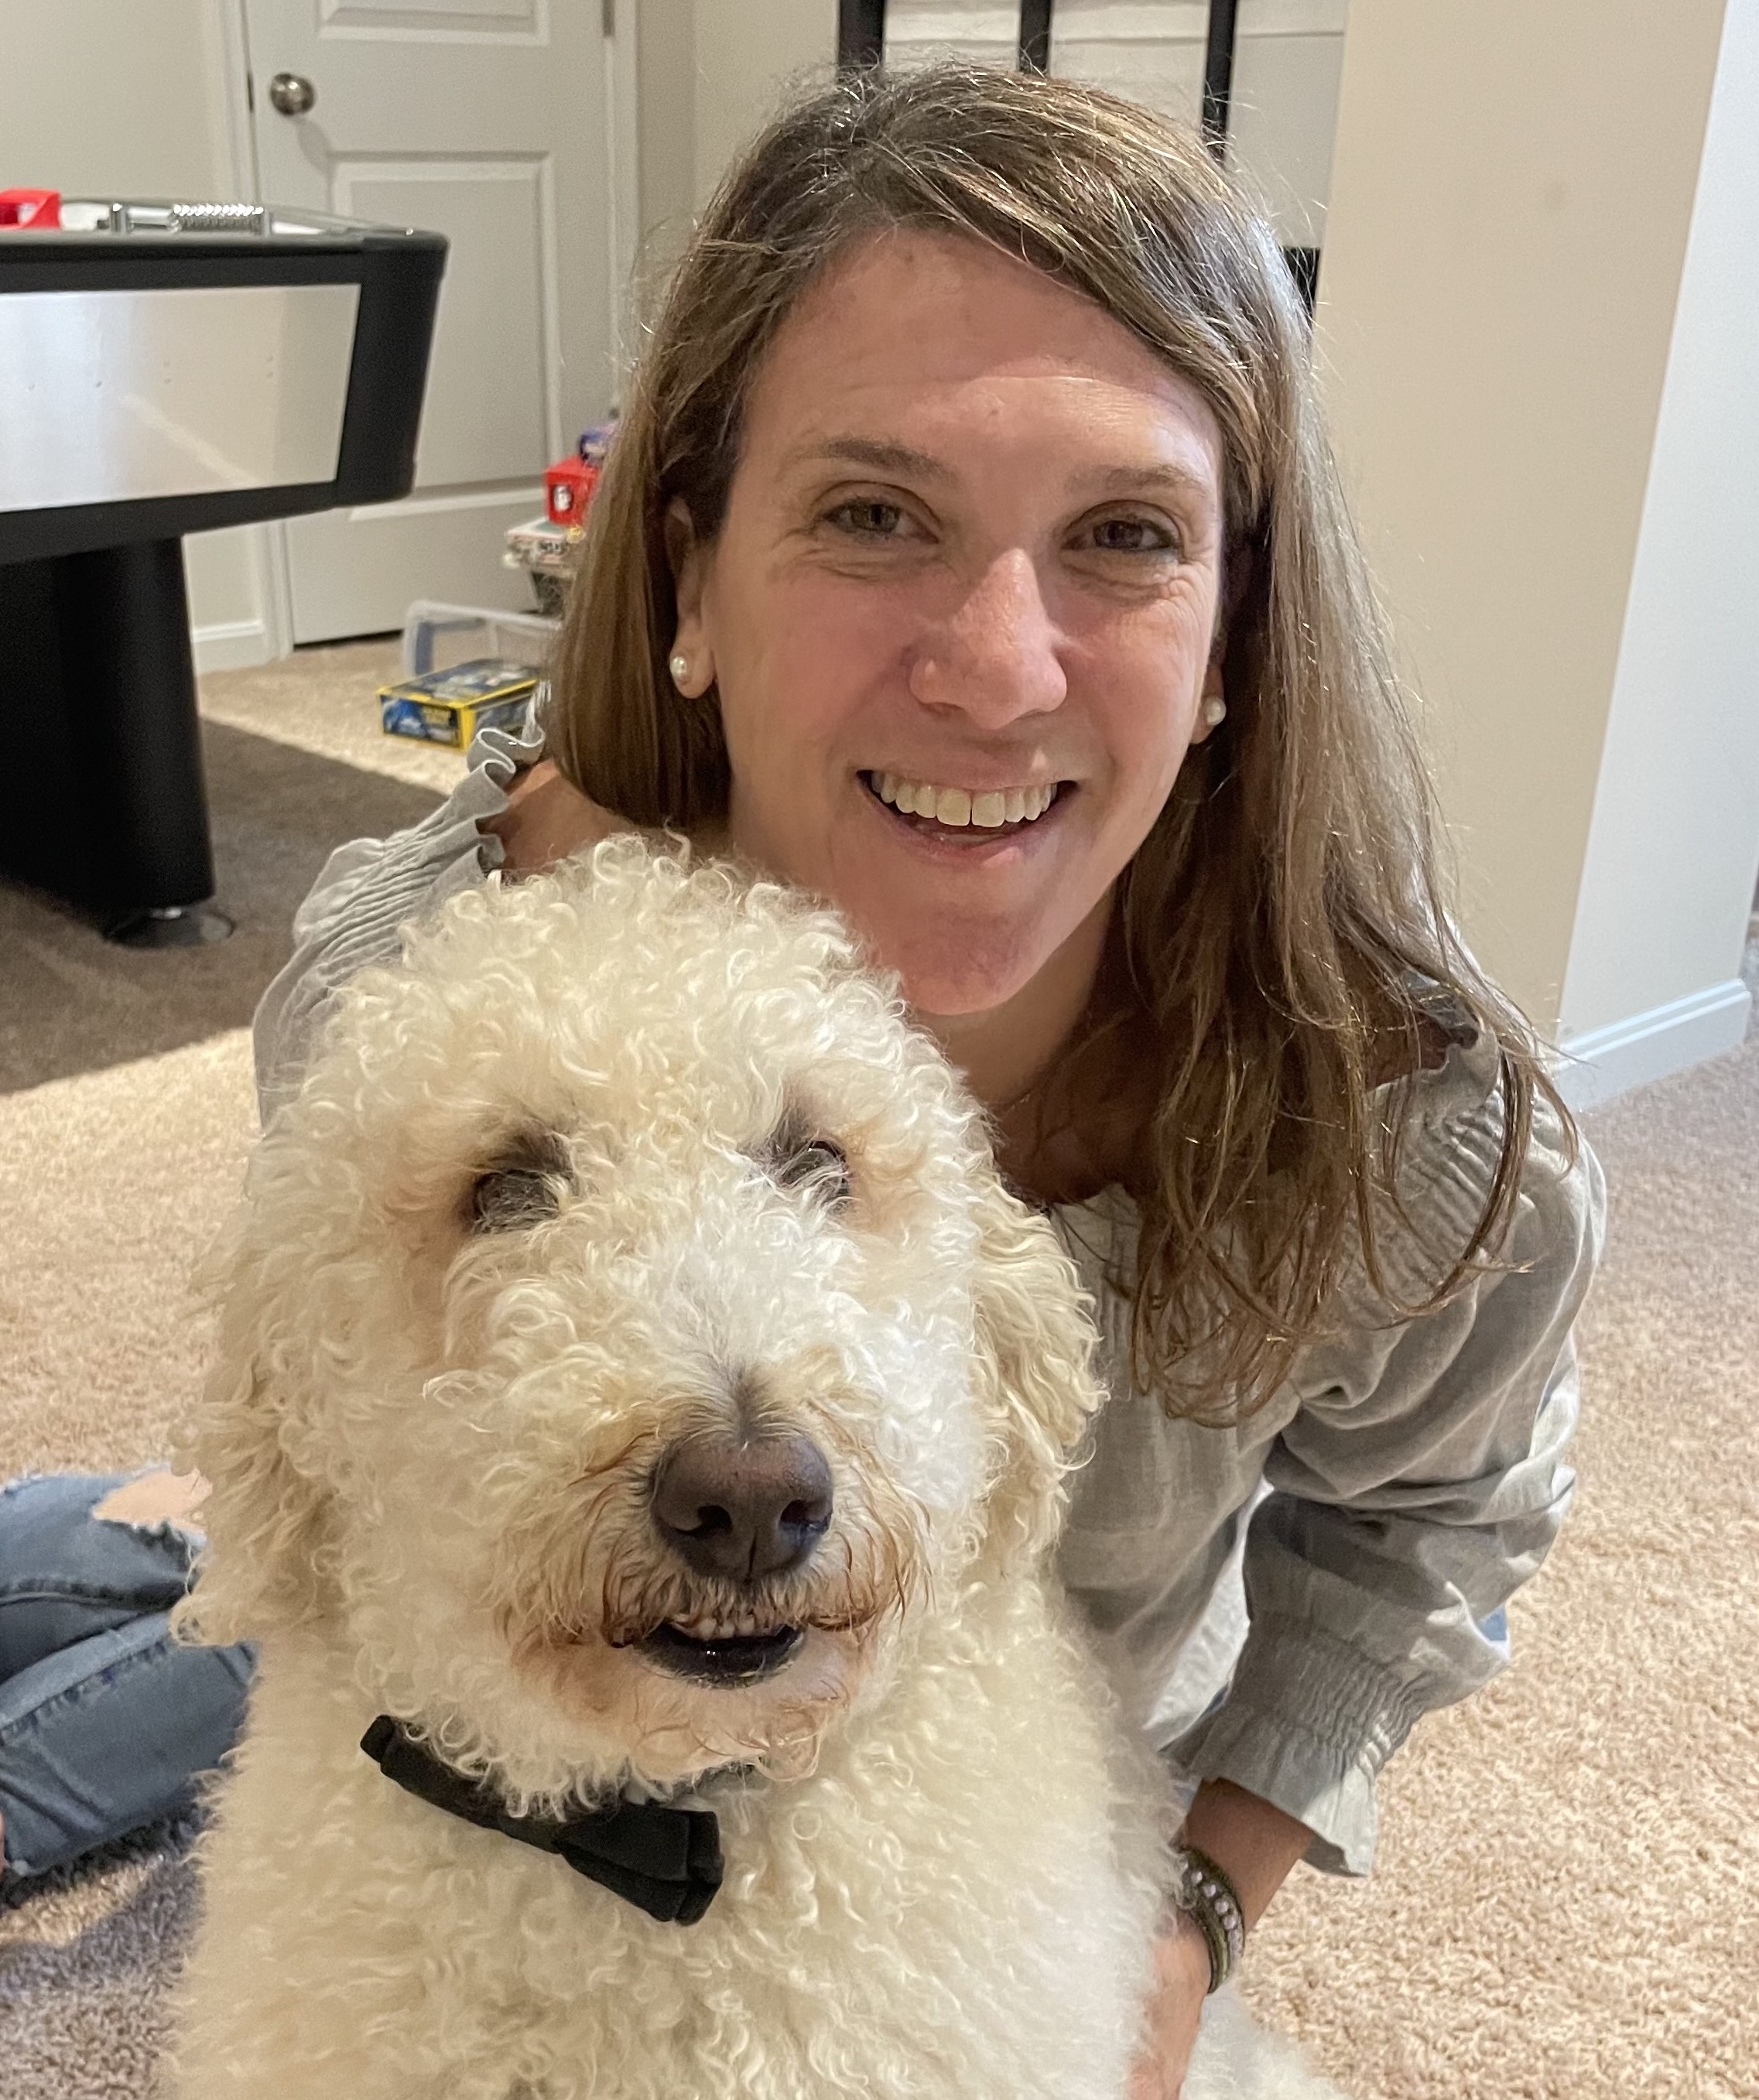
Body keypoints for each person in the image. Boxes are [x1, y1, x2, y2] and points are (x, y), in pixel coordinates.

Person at [3, 64, 1600, 2100]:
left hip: (898, 1751)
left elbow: (1432, 1526)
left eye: (1122, 533)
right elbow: (313, 1437)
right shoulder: (436, 986)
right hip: (483, 1598)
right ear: (683, 577)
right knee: (231, 1570)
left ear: (1229, 643)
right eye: (873, 511)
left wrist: (1197, 1904)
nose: (997, 664)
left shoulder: (1421, 1144)